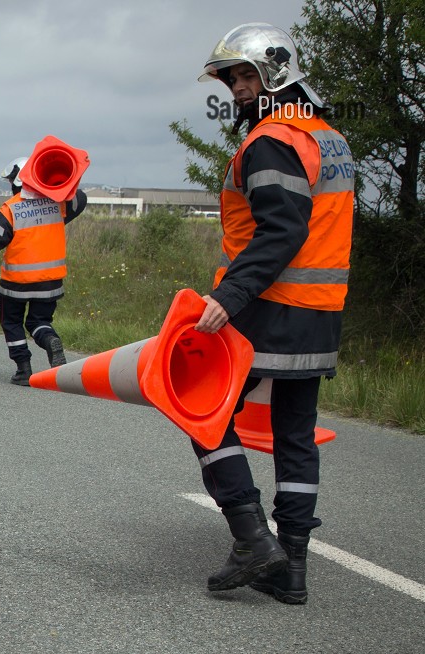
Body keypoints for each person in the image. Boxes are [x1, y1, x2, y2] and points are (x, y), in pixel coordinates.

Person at [190, 22, 354, 603]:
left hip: (269, 306)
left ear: (275, 74)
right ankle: (293, 571)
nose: (235, 87)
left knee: (201, 414)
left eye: (244, 74)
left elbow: (280, 231)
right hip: (320, 313)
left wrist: (228, 298)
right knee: (294, 435)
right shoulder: (328, 136)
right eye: (231, 77)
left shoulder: (271, 140)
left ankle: (251, 537)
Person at [0, 153, 88, 385]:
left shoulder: (10, 210)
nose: (10, 185)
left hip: (15, 284)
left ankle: (24, 369)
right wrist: (57, 188)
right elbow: (79, 198)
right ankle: (50, 339)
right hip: (50, 283)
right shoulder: (57, 204)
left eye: (11, 180)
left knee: (12, 322)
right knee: (38, 322)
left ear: (19, 180)